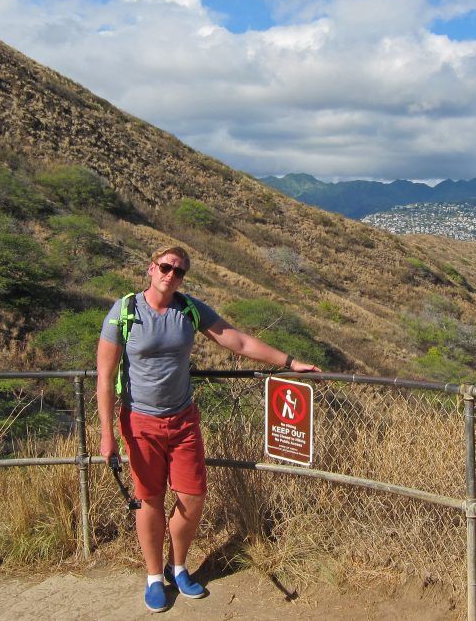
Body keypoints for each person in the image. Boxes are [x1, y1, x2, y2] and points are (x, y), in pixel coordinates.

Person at [96, 245, 321, 613]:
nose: (172, 275)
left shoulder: (189, 309)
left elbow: (239, 340)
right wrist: (107, 434)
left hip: (183, 419)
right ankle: (154, 577)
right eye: (166, 267)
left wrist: (291, 362)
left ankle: (178, 566)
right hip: (139, 421)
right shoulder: (125, 312)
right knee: (149, 498)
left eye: (179, 271)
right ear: (151, 269)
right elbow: (105, 378)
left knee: (193, 495)